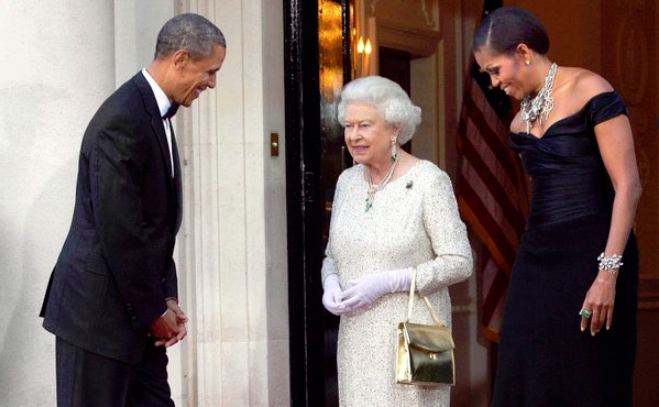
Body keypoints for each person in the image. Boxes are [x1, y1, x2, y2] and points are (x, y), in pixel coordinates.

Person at [39, 13, 226, 406]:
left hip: (135, 315)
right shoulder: (123, 118)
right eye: (209, 71)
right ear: (180, 59)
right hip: (97, 318)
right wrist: (154, 309)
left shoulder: (153, 110)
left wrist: (167, 299)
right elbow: (120, 230)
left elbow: (154, 225)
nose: (212, 83)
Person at [473, 7, 641, 406]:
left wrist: (607, 274)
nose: (495, 83)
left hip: (596, 252)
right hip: (539, 257)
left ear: (524, 52)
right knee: (524, 369)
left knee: (587, 375)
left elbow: (628, 186)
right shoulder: (518, 124)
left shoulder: (591, 89)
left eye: (496, 70)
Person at [321, 75, 473, 406]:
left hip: (412, 339)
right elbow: (332, 255)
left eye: (364, 125)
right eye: (348, 126)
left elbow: (460, 261)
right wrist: (330, 282)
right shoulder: (347, 183)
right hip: (357, 340)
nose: (353, 136)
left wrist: (393, 280)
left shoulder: (428, 182)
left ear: (394, 128)